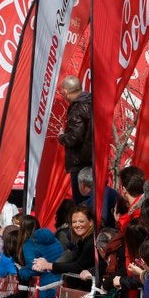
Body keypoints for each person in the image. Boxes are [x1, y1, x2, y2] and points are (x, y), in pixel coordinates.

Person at [56, 76, 93, 204]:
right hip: (91, 160)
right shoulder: (91, 102)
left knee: (82, 203)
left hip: (80, 163)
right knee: (91, 200)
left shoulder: (78, 107)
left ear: (65, 92)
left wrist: (61, 136)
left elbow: (74, 137)